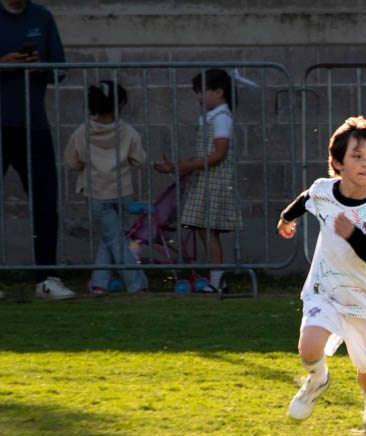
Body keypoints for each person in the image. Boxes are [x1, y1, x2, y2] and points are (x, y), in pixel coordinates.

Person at [276, 117, 366, 436]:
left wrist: (353, 235)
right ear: (337, 162)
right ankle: (317, 380)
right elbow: (306, 199)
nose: (365, 163)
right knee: (309, 346)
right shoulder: (323, 191)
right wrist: (286, 219)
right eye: (357, 156)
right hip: (325, 290)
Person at [0, 0, 75, 300]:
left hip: (34, 125)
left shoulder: (42, 16)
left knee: (46, 201)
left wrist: (41, 66)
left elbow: (61, 69)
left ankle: (47, 279)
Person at [154, 69, 240, 293]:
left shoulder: (222, 118)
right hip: (205, 178)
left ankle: (218, 281)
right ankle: (216, 278)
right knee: (203, 228)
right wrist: (177, 166)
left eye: (202, 92)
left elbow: (219, 154)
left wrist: (189, 166)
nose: (198, 97)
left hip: (216, 180)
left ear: (219, 92)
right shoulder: (210, 117)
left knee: (208, 230)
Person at [63, 81, 148, 294]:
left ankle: (106, 284)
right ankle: (123, 284)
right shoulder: (128, 132)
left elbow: (72, 162)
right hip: (123, 192)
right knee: (114, 238)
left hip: (98, 194)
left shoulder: (82, 132)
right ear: (119, 105)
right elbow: (138, 159)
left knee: (112, 238)